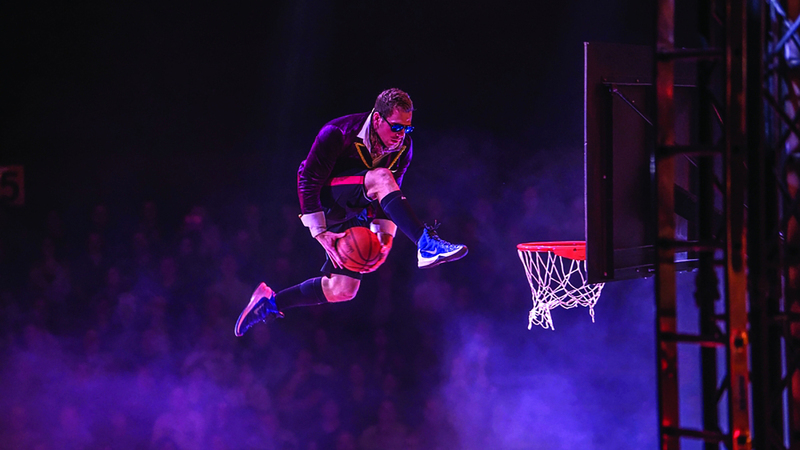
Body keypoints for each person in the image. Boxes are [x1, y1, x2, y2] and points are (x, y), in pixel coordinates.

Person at [234, 88, 467, 337]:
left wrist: (386, 238)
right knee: (381, 176)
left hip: (355, 206)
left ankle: (269, 303)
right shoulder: (338, 132)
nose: (401, 135)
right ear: (377, 119)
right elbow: (308, 179)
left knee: (343, 289)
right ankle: (425, 242)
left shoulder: (403, 147)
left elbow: (391, 191)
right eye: (396, 127)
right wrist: (319, 232)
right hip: (325, 199)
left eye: (407, 129)